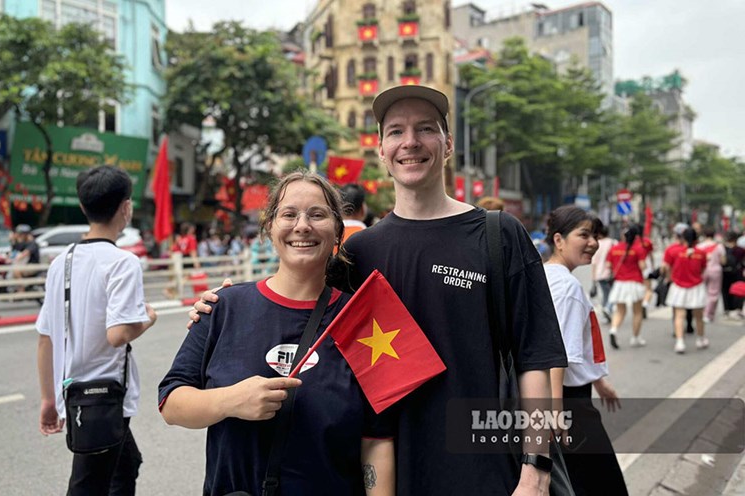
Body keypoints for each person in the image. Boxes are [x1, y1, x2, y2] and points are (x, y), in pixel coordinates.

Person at [191, 85, 567, 495]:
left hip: (484, 470)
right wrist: (223, 307)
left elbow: (536, 359)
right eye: (396, 131)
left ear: (448, 145)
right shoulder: (358, 253)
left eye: (425, 129)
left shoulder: (498, 234)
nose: (411, 142)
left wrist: (536, 471)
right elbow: (297, 309)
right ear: (382, 151)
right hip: (380, 469)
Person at [159, 171, 394, 496]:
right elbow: (171, 402)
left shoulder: (362, 322)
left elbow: (376, 441)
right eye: (289, 214)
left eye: (317, 214)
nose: (302, 226)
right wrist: (230, 400)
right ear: (269, 227)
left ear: (337, 231)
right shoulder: (223, 307)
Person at [36, 165, 158, 494]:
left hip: (73, 391)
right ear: (126, 207)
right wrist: (148, 319)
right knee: (88, 485)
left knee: (125, 464)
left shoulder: (61, 262)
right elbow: (118, 334)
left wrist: (49, 398)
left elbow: (45, 338)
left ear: (82, 207)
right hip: (103, 398)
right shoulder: (123, 262)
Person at [544, 208, 627, 495]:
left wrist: (598, 380)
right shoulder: (567, 287)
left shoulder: (545, 276)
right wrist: (556, 414)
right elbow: (556, 356)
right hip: (570, 405)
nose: (592, 242)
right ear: (559, 239)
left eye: (594, 235)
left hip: (552, 397)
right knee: (604, 486)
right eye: (583, 234)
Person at [663, 227, 708, 353]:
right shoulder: (701, 253)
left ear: (682, 238)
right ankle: (700, 339)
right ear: (696, 239)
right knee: (699, 316)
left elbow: (667, 267)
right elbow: (702, 270)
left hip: (678, 286)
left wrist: (670, 278)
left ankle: (680, 342)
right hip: (696, 286)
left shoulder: (673, 251)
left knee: (679, 315)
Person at [606, 225, 647, 349]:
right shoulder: (638, 249)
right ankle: (635, 338)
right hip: (635, 283)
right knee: (637, 312)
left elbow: (608, 265)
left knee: (620, 311)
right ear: (636, 237)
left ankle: (613, 330)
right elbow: (643, 266)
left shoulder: (615, 249)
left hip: (619, 284)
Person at [696, 226, 725, 323]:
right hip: (715, 271)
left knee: (700, 291)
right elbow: (723, 261)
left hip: (702, 271)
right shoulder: (719, 246)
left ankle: (699, 311)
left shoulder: (699, 246)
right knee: (713, 293)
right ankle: (708, 314)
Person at [590, 223, 616, 323]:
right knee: (612, 294)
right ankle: (608, 309)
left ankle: (606, 312)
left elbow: (594, 263)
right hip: (611, 274)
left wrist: (593, 279)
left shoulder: (597, 244)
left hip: (599, 274)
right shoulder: (613, 242)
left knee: (606, 294)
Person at [721, 231, 744, 319]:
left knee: (725, 291)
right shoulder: (741, 250)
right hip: (737, 272)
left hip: (725, 272)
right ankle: (737, 308)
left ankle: (727, 308)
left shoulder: (723, 248)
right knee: (738, 290)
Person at [11, 223, 41, 290]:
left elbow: (25, 253)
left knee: (16, 271)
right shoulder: (22, 243)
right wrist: (13, 240)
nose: (19, 236)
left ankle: (21, 289)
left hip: (33, 265)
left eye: (21, 234)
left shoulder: (32, 243)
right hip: (24, 265)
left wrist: (17, 257)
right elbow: (14, 252)